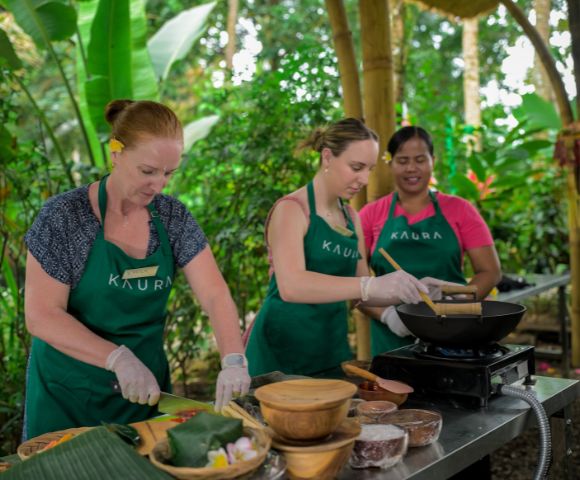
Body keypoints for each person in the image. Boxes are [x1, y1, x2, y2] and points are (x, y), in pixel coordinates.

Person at [23, 99, 250, 439]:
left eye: (168, 173)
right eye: (148, 171)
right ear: (116, 154)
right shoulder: (64, 217)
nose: (159, 185)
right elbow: (42, 315)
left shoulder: (173, 218)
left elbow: (215, 294)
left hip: (144, 396)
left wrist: (233, 359)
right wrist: (117, 358)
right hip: (67, 395)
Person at [245, 118, 441, 378]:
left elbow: (360, 291)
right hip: (280, 353)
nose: (365, 179)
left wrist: (411, 289)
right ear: (327, 157)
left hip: (328, 349)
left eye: (369, 169)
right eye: (356, 167)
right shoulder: (292, 209)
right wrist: (368, 285)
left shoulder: (351, 217)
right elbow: (291, 286)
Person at [359, 126, 501, 355]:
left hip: (453, 335)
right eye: (403, 160)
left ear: (432, 161)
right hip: (392, 341)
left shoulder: (460, 209)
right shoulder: (370, 214)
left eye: (420, 160)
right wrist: (388, 315)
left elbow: (490, 271)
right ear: (390, 163)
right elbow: (354, 283)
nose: (411, 168)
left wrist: (456, 302)